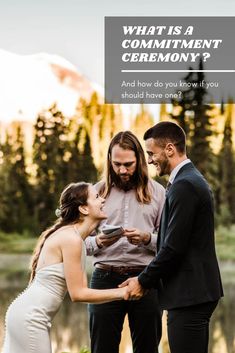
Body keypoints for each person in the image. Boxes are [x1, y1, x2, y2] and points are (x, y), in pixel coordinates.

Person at [120, 122, 224, 353]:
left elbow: (173, 248)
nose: (149, 160)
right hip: (193, 292)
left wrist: (142, 281)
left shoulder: (185, 185)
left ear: (169, 149)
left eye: (151, 153)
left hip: (190, 294)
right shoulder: (186, 180)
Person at [1, 182, 129, 353]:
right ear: (83, 209)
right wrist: (123, 293)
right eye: (97, 197)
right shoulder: (72, 239)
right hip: (30, 319)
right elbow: (78, 294)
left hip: (25, 315)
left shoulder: (73, 237)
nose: (103, 200)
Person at [85, 131, 165, 353]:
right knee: (102, 349)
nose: (122, 170)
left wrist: (147, 238)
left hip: (146, 279)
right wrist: (98, 242)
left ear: (140, 159)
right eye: (116, 164)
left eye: (128, 164)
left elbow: (169, 245)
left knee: (148, 349)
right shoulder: (95, 193)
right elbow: (76, 244)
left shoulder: (159, 193)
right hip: (104, 278)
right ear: (109, 161)